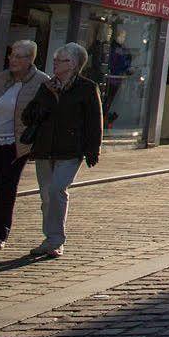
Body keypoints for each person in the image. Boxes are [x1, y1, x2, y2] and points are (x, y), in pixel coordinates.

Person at [17, 43, 101, 259]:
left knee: (57, 190)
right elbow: (28, 116)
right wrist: (39, 108)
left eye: (59, 60)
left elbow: (94, 121)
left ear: (72, 64)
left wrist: (93, 149)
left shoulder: (87, 88)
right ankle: (49, 238)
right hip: (45, 148)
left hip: (70, 150)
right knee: (46, 195)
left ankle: (56, 240)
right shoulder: (47, 86)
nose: (54, 63)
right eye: (54, 59)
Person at [0, 40, 48, 252]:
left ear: (30, 59)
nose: (12, 60)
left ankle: (0, 233)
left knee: (6, 185)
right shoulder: (1, 78)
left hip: (16, 143)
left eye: (19, 56)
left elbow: (44, 114)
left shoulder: (41, 81)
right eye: (12, 55)